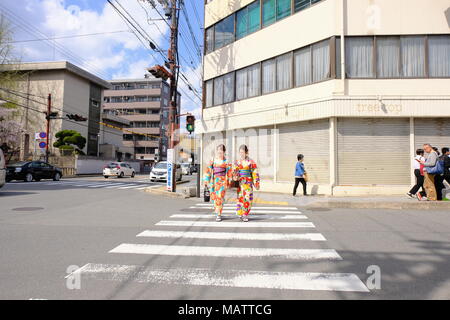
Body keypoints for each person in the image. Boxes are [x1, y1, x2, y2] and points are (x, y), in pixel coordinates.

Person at [203, 144, 232, 221]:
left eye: (221, 150)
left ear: (224, 152)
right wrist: (206, 180)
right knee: (215, 198)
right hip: (214, 181)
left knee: (219, 197)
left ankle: (218, 214)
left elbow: (229, 172)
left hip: (222, 181)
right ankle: (218, 211)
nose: (220, 151)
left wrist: (228, 181)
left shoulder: (226, 161)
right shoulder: (213, 160)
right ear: (217, 151)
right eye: (218, 150)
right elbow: (208, 170)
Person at [232, 145, 260, 222]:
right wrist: (235, 177)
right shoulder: (237, 162)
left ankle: (245, 214)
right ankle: (241, 212)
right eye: (240, 152)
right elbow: (234, 171)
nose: (241, 154)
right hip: (240, 182)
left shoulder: (251, 162)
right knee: (240, 198)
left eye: (243, 152)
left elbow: (254, 172)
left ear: (246, 152)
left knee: (248, 198)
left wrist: (256, 182)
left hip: (248, 182)